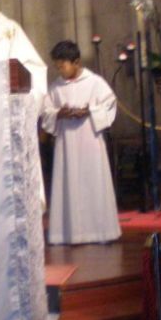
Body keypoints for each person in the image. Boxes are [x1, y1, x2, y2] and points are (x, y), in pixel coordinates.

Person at [40, 40, 120, 245]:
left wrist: (89, 111)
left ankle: (100, 232)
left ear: (76, 62)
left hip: (90, 141)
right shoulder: (56, 86)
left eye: (63, 65)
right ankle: (69, 234)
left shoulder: (95, 82)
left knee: (93, 183)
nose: (60, 70)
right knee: (68, 183)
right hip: (66, 143)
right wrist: (59, 114)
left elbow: (109, 104)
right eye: (57, 66)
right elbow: (46, 111)